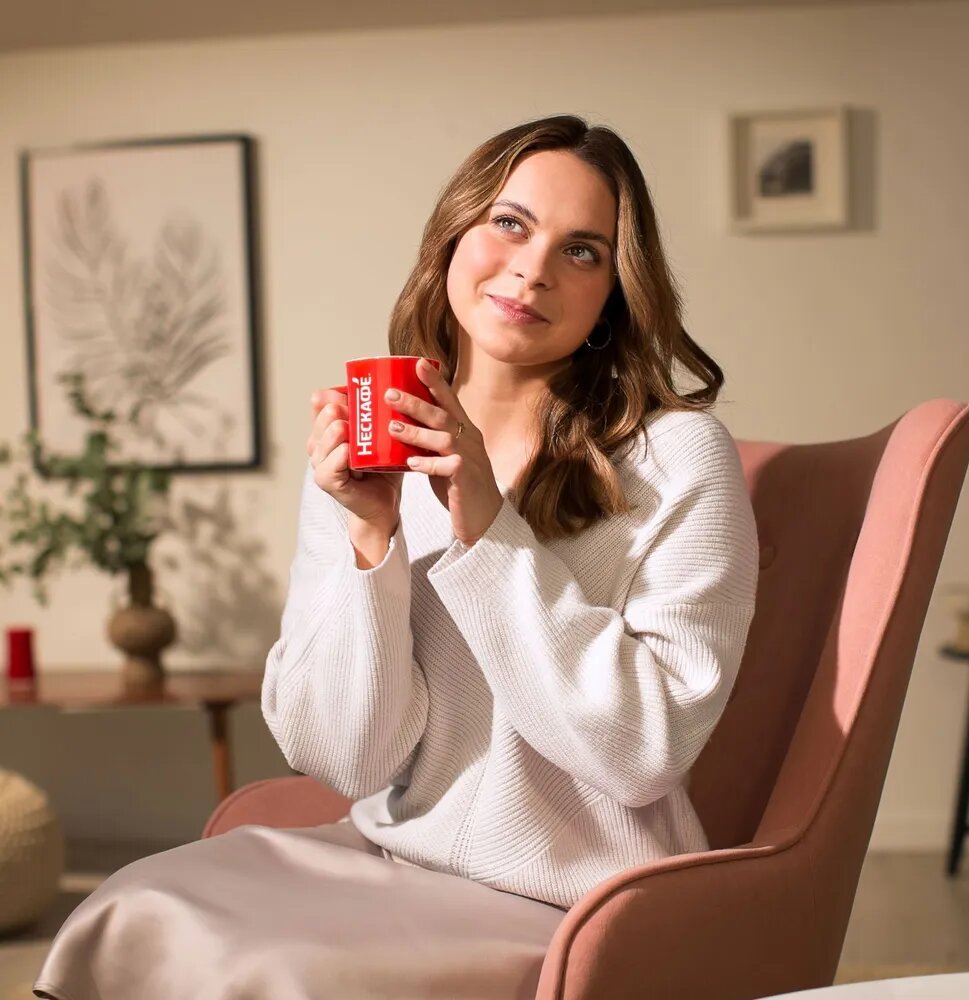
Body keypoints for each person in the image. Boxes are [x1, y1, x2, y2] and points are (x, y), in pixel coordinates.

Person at [34, 114, 759, 1000]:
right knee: (132, 907)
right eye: (510, 223)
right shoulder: (373, 451)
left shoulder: (677, 457)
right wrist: (371, 543)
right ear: (453, 234)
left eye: (582, 251)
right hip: (394, 853)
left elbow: (643, 754)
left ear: (614, 292)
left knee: (276, 974)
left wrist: (489, 530)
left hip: (573, 896)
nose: (533, 268)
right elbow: (347, 760)